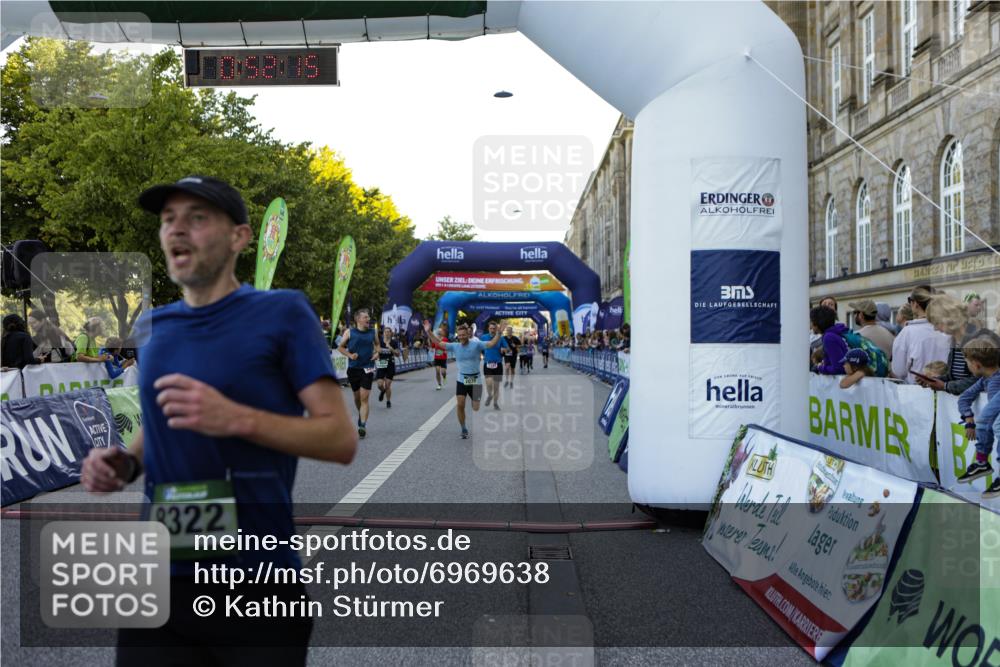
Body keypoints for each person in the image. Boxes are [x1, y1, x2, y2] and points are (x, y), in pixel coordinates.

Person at [80, 175, 357, 666]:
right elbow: (162, 421)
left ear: (240, 237)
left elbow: (339, 438)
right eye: (169, 219)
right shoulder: (154, 327)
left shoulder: (283, 313)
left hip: (255, 581)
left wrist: (236, 418)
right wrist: (125, 463)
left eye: (197, 218)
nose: (176, 229)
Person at [423, 320, 502, 438]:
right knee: (460, 404)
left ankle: (474, 402)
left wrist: (499, 333)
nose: (461, 337)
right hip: (462, 379)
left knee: (476, 408)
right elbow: (438, 343)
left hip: (475, 380)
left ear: (468, 335)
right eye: (459, 335)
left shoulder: (476, 344)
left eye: (463, 335)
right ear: (457, 336)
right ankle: (464, 429)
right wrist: (429, 332)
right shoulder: (455, 346)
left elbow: (491, 344)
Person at [920, 294, 1000, 395]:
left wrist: (945, 386)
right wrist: (934, 380)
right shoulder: (955, 341)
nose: (935, 328)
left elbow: (981, 380)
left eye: (936, 323)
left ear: (949, 319)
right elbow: (954, 377)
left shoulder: (980, 339)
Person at [955, 336, 1000, 499]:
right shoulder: (984, 380)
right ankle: (982, 462)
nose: (967, 366)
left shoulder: (997, 378)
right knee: (986, 422)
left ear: (976, 364)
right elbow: (964, 398)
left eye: (967, 363)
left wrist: (980, 420)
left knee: (992, 424)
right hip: (990, 419)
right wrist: (968, 418)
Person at [891, 286, 950, 384]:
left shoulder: (907, 332)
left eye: (910, 300)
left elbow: (899, 371)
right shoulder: (948, 331)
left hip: (916, 390)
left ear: (915, 304)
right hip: (945, 389)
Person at [337, 309, 378, 438]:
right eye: (365, 317)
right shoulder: (349, 332)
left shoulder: (373, 332)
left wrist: (377, 353)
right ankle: (361, 415)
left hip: (368, 367)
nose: (368, 319)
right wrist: (350, 355)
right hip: (353, 369)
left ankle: (362, 425)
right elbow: (340, 347)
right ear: (358, 319)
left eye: (368, 317)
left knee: (364, 398)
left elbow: (378, 346)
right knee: (357, 398)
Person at [810, 306, 848, 375]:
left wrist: (820, 367)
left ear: (817, 323)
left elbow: (838, 368)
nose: (811, 325)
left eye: (811, 321)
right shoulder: (834, 333)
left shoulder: (829, 338)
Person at [479, 320, 509, 409]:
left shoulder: (501, 338)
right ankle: (490, 395)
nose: (492, 330)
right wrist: (480, 355)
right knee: (489, 383)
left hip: (498, 364)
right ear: (488, 329)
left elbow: (507, 349)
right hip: (487, 363)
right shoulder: (484, 337)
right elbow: (479, 347)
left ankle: (495, 403)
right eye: (491, 328)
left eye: (494, 328)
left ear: (496, 329)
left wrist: (504, 349)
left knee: (496, 386)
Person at [376, 326, 401, 408]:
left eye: (388, 332)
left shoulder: (394, 342)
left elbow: (398, 354)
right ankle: (383, 391)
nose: (387, 333)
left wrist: (390, 348)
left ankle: (388, 401)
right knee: (379, 384)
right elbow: (376, 351)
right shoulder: (380, 341)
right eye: (385, 332)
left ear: (391, 333)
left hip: (390, 363)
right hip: (382, 362)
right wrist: (376, 352)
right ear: (383, 333)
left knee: (387, 385)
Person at [431, 324, 449, 390]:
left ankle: (444, 377)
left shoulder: (445, 339)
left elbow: (447, 347)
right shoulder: (435, 340)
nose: (440, 332)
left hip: (443, 358)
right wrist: (431, 348)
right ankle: (439, 384)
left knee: (443, 372)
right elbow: (432, 346)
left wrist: (446, 350)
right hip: (437, 358)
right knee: (437, 371)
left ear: (443, 333)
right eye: (439, 331)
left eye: (441, 331)